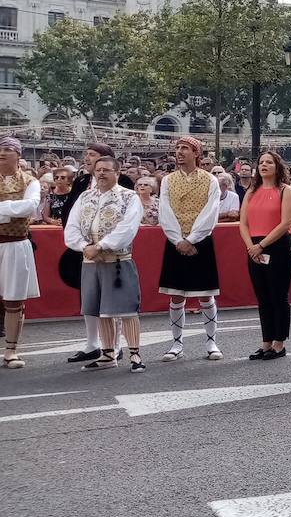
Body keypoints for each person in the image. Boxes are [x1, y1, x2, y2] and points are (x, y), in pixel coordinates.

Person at [64, 155, 144, 372]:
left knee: (126, 309)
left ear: (117, 173)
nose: (101, 173)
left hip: (118, 260)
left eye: (106, 170)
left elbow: (127, 229)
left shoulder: (129, 197)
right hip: (90, 261)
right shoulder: (84, 197)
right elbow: (71, 228)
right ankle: (108, 354)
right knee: (100, 309)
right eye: (98, 170)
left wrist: (99, 246)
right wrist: (84, 247)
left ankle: (135, 354)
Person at [157, 136, 222, 362]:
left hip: (200, 240)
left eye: (185, 148)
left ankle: (211, 341)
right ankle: (176, 344)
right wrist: (178, 240)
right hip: (176, 240)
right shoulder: (167, 180)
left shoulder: (209, 180)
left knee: (205, 294)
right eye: (177, 148)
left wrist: (192, 239)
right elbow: (164, 211)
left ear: (196, 153)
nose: (179, 152)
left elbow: (211, 212)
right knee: (176, 294)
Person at [239, 151, 291, 361]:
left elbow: (286, 223)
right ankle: (266, 341)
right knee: (262, 296)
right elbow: (243, 223)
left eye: (269, 162)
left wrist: (262, 245)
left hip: (278, 245)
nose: (264, 165)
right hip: (254, 246)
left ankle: (279, 342)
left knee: (278, 295)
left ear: (277, 167)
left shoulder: (286, 190)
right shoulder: (251, 191)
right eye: (261, 162)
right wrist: (251, 246)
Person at [0, 138, 40, 368]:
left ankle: (11, 350)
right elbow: (20, 209)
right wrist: (10, 211)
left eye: (8, 150)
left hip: (15, 244)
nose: (2, 153)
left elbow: (30, 207)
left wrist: (5, 210)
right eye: (0, 149)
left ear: (18, 155)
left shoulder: (29, 181)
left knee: (14, 299)